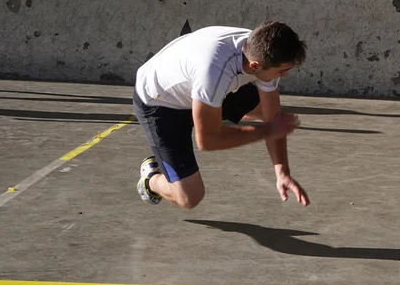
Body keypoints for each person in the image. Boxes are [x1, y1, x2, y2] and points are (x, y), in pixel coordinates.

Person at [132, 21, 310, 209]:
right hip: (159, 101)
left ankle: (208, 113)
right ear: (255, 66)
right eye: (282, 71)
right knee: (189, 197)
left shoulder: (262, 49)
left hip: (198, 85)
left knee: (266, 112)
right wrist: (265, 131)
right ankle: (151, 179)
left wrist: (282, 172)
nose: (285, 75)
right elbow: (207, 141)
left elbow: (273, 119)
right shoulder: (214, 72)